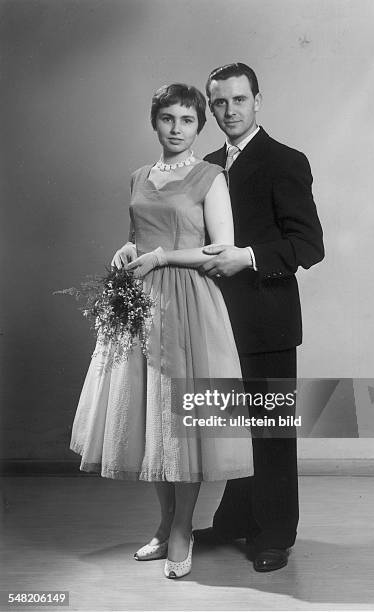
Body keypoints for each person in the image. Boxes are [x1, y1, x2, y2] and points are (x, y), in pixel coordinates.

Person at [70, 83, 253, 579]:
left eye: (187, 120)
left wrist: (163, 257)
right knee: (152, 418)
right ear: (155, 122)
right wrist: (127, 251)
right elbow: (138, 236)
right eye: (168, 119)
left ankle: (183, 528)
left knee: (184, 422)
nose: (176, 128)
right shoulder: (138, 176)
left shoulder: (211, 176)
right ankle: (166, 519)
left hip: (189, 304)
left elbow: (222, 248)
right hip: (140, 304)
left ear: (199, 126)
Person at [194, 63, 325, 572]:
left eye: (239, 101)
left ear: (257, 101)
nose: (229, 111)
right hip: (217, 320)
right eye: (219, 103)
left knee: (269, 430)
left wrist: (246, 256)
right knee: (230, 427)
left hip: (267, 319)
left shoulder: (284, 161)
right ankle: (234, 522)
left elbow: (308, 245)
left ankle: (274, 534)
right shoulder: (203, 165)